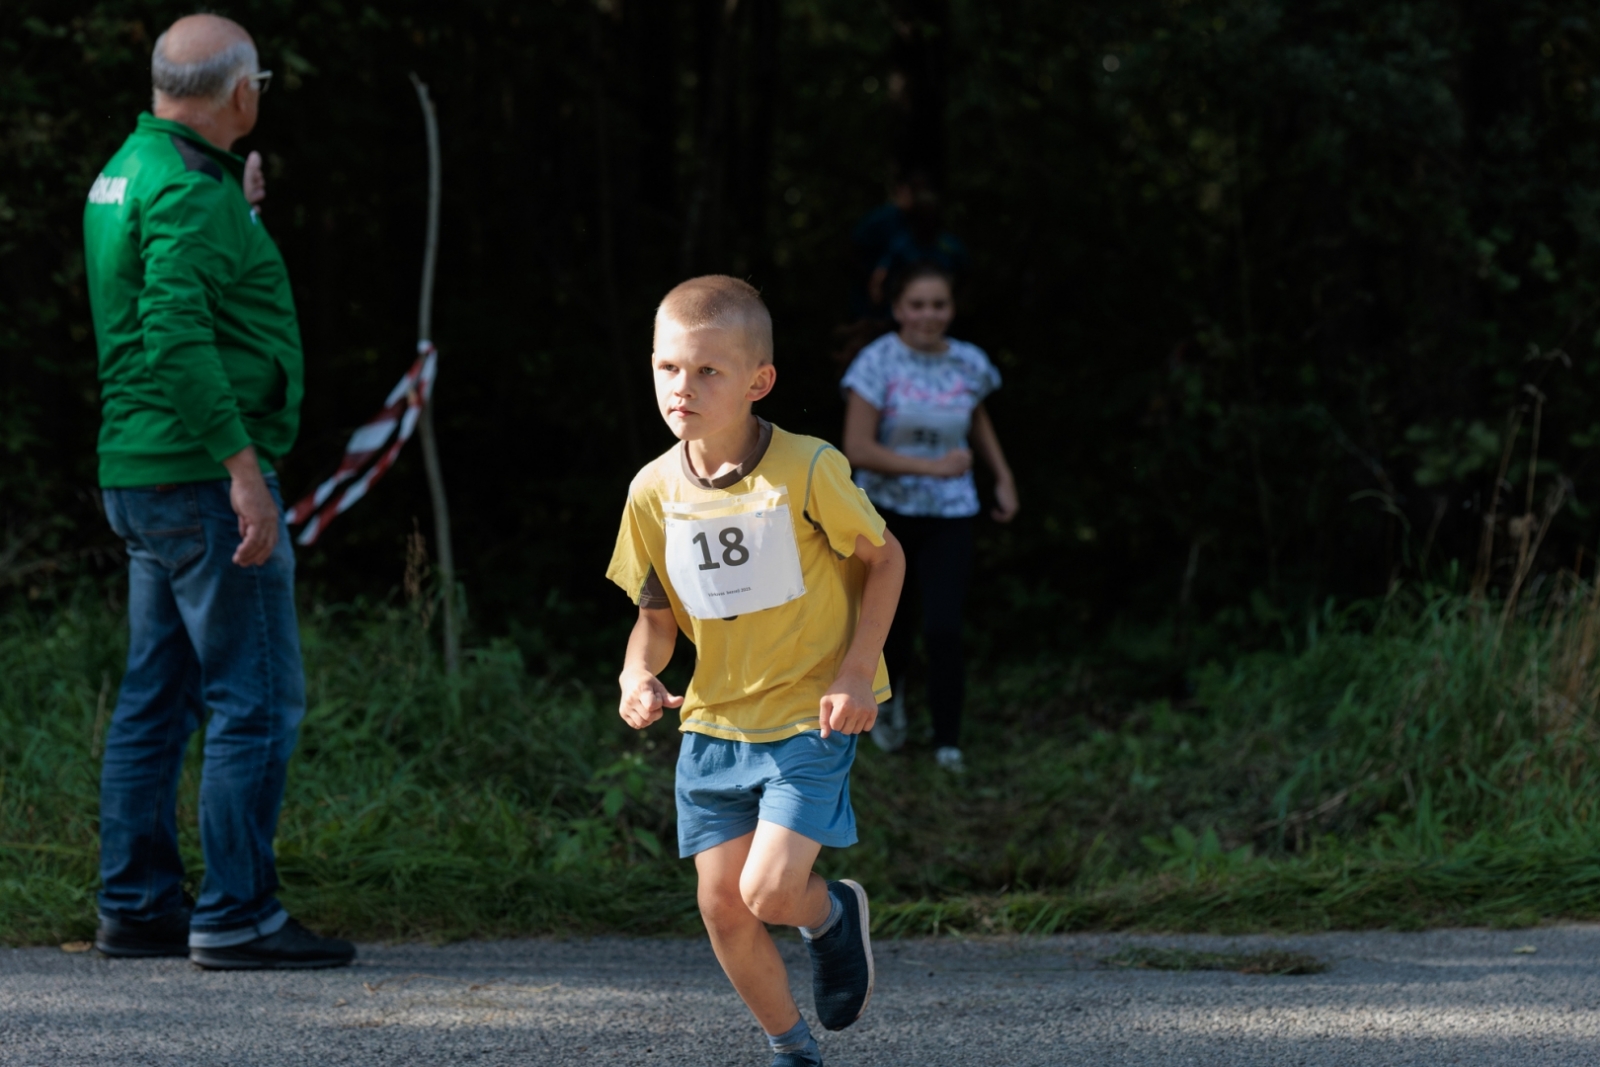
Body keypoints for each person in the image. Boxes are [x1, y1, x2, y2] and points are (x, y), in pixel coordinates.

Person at [83, 13, 354, 970]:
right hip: (201, 473)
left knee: (158, 694)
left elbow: (194, 289)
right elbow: (176, 335)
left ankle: (140, 903)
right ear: (240, 92)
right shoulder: (193, 192)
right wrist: (245, 472)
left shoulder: (130, 169)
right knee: (256, 696)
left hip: (142, 470)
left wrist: (237, 210)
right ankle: (237, 913)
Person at [607, 276, 905, 1067]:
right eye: (669, 368)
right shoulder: (650, 492)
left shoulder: (809, 468)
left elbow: (886, 559)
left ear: (758, 380)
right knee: (722, 906)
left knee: (770, 891)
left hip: (812, 712)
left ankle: (831, 916)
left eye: (708, 370)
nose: (683, 387)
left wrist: (856, 670)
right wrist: (637, 676)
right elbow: (656, 621)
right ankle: (791, 1048)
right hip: (714, 722)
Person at [841, 264, 1018, 772]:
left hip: (950, 513)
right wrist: (932, 467)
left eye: (938, 304)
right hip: (884, 514)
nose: (928, 315)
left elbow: (976, 417)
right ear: (898, 309)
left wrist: (1002, 475)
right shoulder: (876, 364)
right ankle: (888, 705)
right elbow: (856, 447)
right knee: (890, 623)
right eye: (917, 305)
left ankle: (948, 742)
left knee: (944, 626)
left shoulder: (969, 362)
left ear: (951, 309)